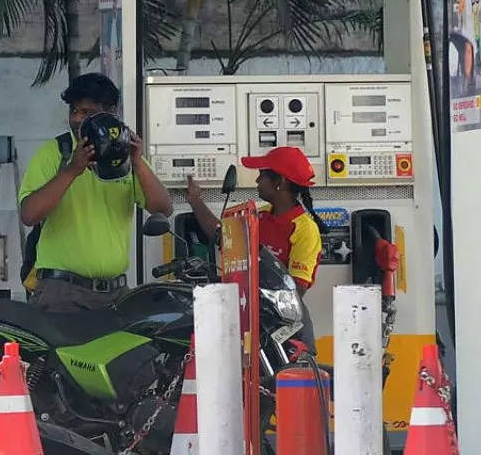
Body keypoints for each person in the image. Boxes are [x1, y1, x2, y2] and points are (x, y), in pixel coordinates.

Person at [18, 73, 173, 312]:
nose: (78, 119)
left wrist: (138, 163)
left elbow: (162, 208)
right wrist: (72, 170)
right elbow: (29, 215)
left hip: (116, 294)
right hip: (63, 292)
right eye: (74, 111)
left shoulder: (125, 155)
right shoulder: (55, 153)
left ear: (111, 112)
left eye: (87, 113)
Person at [184, 146, 325, 349]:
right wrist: (195, 202)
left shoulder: (305, 229)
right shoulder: (260, 216)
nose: (258, 181)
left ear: (280, 182)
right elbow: (223, 237)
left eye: (262, 175)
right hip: (253, 320)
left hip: (286, 329)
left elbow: (296, 290)